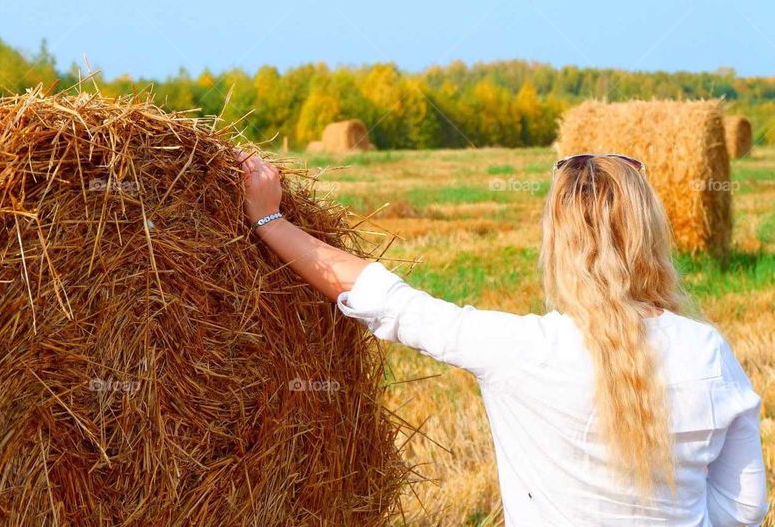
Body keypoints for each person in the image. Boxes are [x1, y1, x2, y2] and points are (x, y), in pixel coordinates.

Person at [238, 150, 769, 527]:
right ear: (652, 234)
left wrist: (269, 220)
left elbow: (387, 301)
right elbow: (746, 510)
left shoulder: (519, 350)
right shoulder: (707, 353)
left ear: (556, 242)